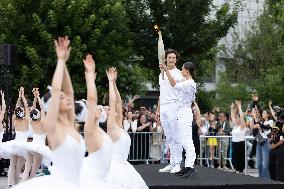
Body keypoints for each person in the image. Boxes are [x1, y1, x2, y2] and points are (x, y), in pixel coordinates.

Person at [13, 36, 85, 189]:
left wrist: (64, 63)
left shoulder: (71, 124)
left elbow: (69, 91)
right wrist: (59, 61)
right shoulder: (53, 125)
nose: (66, 98)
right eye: (60, 97)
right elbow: (57, 88)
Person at [106, 67, 148, 189]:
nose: (112, 109)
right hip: (114, 168)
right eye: (109, 109)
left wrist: (114, 83)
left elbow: (118, 102)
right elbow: (113, 101)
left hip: (125, 166)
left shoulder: (119, 124)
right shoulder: (111, 126)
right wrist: (109, 82)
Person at [79, 54, 113, 189]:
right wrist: (90, 78)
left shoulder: (98, 129)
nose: (99, 110)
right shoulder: (90, 129)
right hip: (93, 182)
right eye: (96, 109)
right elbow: (92, 99)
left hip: (103, 180)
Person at [161, 61, 197, 178]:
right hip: (182, 112)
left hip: (185, 112)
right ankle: (187, 166)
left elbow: (174, 84)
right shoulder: (187, 81)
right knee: (183, 140)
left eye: (182, 69)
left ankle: (190, 167)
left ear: (187, 71)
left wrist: (166, 70)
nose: (181, 71)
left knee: (187, 140)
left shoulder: (190, 83)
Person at [157, 49, 183, 174]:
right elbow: (161, 93)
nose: (172, 59)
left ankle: (178, 163)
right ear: (166, 59)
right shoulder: (160, 74)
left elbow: (173, 84)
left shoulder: (179, 73)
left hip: (174, 105)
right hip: (164, 106)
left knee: (176, 135)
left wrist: (166, 70)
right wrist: (158, 109)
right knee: (169, 137)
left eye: (174, 57)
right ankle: (172, 162)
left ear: (176, 60)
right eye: (170, 57)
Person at [0, 87, 29, 187]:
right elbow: (25, 107)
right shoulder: (26, 121)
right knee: (18, 168)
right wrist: (22, 95)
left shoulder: (15, 120)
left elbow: (17, 109)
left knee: (12, 166)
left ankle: (9, 185)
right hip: (22, 146)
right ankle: (16, 185)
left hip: (15, 144)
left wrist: (19, 97)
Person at [21, 88, 52, 181]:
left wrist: (36, 97)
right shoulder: (43, 122)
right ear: (39, 115)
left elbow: (33, 109)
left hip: (30, 147)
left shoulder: (32, 121)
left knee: (27, 170)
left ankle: (22, 185)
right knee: (33, 172)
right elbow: (42, 108)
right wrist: (38, 96)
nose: (37, 110)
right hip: (39, 148)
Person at [231, 101, 246, 173]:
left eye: (238, 118)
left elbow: (242, 116)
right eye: (236, 118)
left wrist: (239, 107)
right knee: (234, 159)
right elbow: (232, 116)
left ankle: (240, 171)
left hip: (240, 144)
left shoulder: (242, 126)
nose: (237, 119)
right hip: (234, 144)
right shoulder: (235, 126)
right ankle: (236, 170)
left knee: (240, 159)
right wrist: (232, 108)